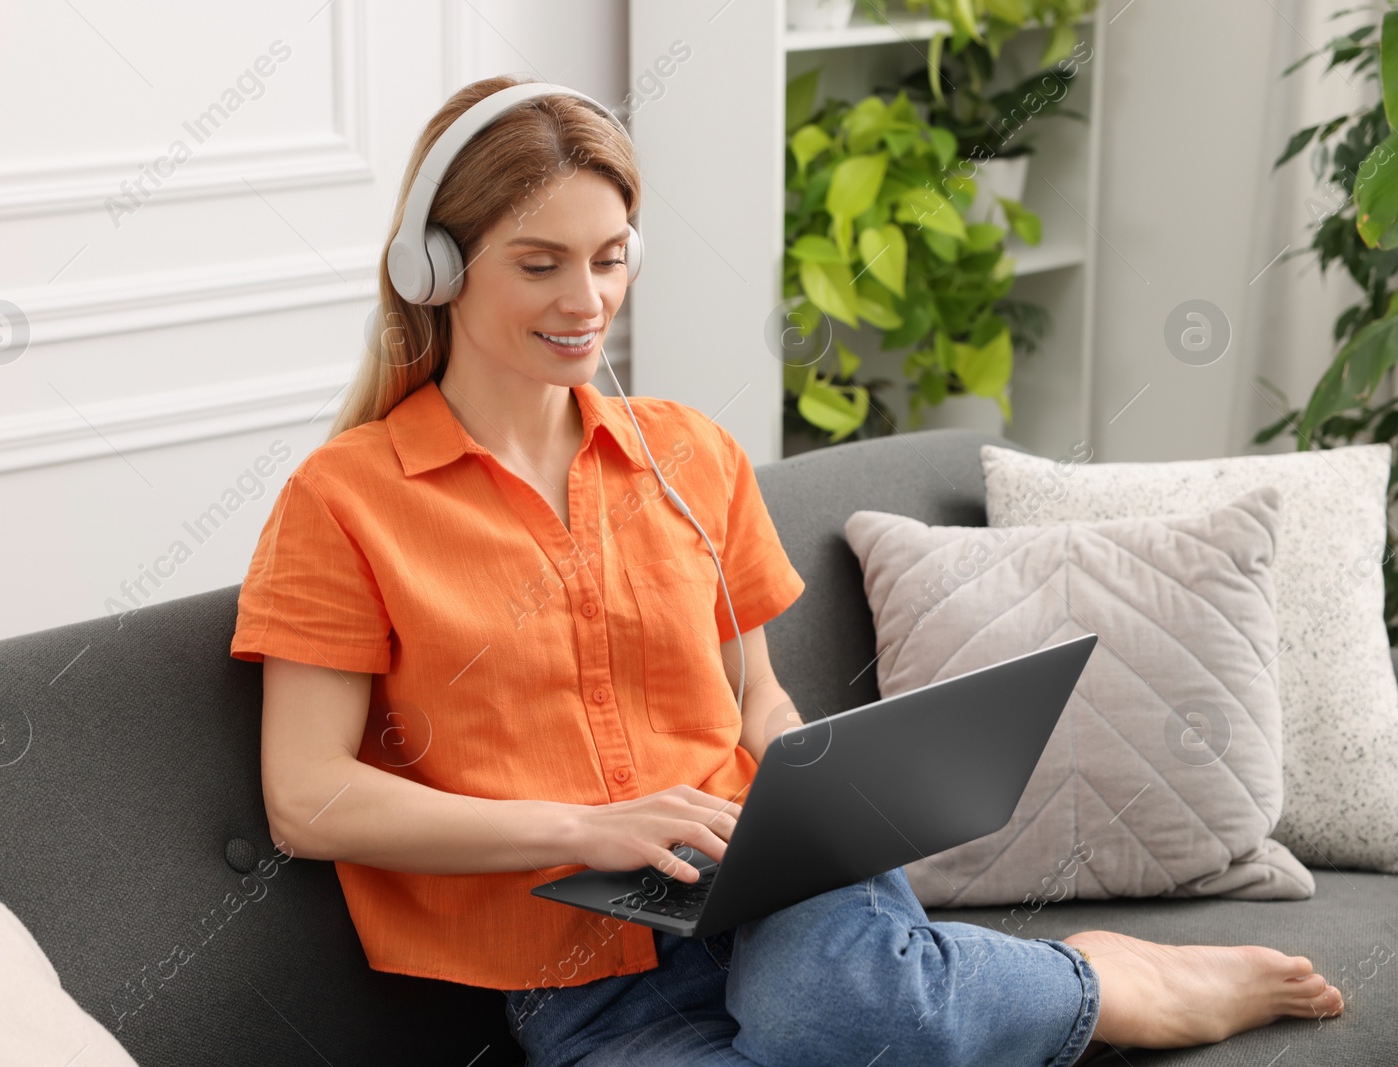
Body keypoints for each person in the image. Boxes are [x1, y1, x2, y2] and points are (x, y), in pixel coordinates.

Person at [228, 74, 1344, 1067]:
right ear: (434, 268)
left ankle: (1106, 982)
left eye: (609, 258)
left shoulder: (685, 454)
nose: (586, 303)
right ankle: (1035, 988)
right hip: (582, 990)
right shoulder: (346, 499)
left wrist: (834, 797)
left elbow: (753, 694)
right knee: (857, 1030)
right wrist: (585, 827)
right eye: (539, 264)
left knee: (839, 1004)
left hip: (781, 896)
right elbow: (308, 797)